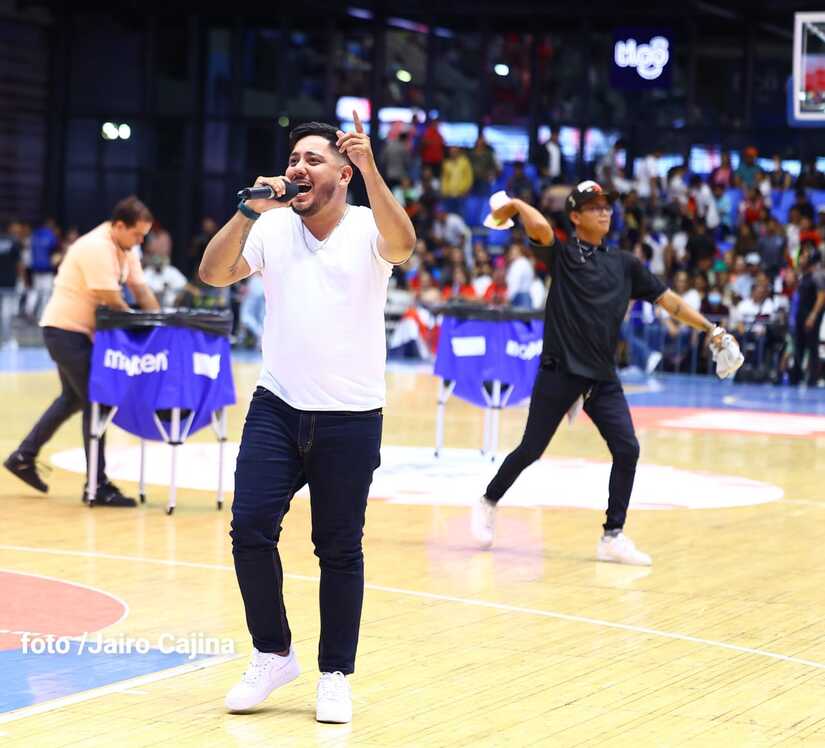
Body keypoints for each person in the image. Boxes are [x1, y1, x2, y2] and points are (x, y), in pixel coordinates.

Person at [199, 113, 414, 723]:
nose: (298, 167)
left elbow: (403, 246)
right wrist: (248, 211)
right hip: (278, 405)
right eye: (294, 158)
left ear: (343, 175)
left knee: (339, 548)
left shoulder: (368, 226)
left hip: (350, 415)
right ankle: (273, 653)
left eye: (313, 159)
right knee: (249, 528)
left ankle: (335, 674)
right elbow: (213, 274)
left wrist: (371, 166)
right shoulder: (270, 227)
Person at [470, 181, 729, 564]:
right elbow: (540, 229)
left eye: (607, 206)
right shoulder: (562, 255)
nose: (605, 212)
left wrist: (711, 329)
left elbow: (669, 301)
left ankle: (612, 536)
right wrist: (516, 204)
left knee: (627, 449)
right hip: (560, 371)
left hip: (601, 377)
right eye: (595, 207)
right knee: (530, 450)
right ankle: (487, 501)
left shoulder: (625, 264)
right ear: (575, 217)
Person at [4, 196, 160, 505]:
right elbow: (112, 298)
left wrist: (161, 324)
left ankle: (23, 456)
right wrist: (143, 324)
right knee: (97, 400)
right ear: (119, 226)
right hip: (65, 332)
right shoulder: (96, 247)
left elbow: (141, 289)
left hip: (78, 334)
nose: (141, 241)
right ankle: (97, 485)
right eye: (138, 234)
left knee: (72, 399)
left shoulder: (126, 248)